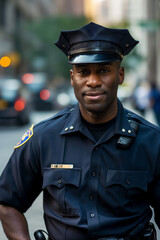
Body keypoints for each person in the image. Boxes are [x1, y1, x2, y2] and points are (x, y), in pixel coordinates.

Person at [0, 22, 159, 240]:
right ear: (73, 77)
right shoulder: (43, 137)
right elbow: (8, 203)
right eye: (83, 72)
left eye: (103, 71)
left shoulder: (151, 141)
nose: (93, 81)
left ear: (120, 75)